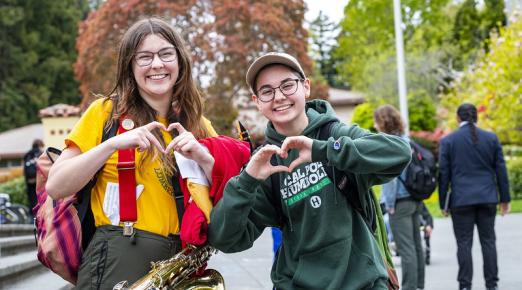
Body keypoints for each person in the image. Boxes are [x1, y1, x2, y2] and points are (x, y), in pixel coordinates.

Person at [208, 52, 411, 289]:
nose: (279, 96)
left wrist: (323, 150)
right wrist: (246, 181)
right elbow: (226, 239)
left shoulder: (335, 135)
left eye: (287, 85)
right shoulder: (264, 162)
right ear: (257, 101)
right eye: (267, 91)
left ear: (305, 87)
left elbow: (399, 153)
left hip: (362, 282)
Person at [46, 17, 218, 289]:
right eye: (144, 57)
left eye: (165, 54)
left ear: (180, 61)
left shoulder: (200, 125)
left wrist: (207, 160)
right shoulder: (105, 113)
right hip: (117, 256)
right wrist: (112, 145)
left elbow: (224, 196)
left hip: (180, 264)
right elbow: (56, 186)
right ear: (130, 67)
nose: (157, 64)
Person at [438, 103, 510, 290]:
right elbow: (501, 171)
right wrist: (505, 199)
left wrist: (443, 202)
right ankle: (492, 285)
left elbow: (444, 174)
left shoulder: (449, 141)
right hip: (487, 198)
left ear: (458, 118)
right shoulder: (491, 138)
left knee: (463, 244)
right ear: (476, 117)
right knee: (489, 242)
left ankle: (465, 286)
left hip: (461, 200)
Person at [373, 105, 425, 290]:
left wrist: (390, 204)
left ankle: (410, 287)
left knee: (406, 248)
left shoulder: (388, 143)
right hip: (414, 199)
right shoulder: (405, 140)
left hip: (399, 203)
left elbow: (390, 178)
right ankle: (419, 285)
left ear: (382, 121)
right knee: (416, 245)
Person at [23, 139, 44, 215]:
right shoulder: (41, 153)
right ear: (40, 145)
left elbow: (25, 170)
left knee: (32, 201)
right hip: (38, 180)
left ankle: (32, 218)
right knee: (41, 200)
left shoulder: (27, 154)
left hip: (29, 181)